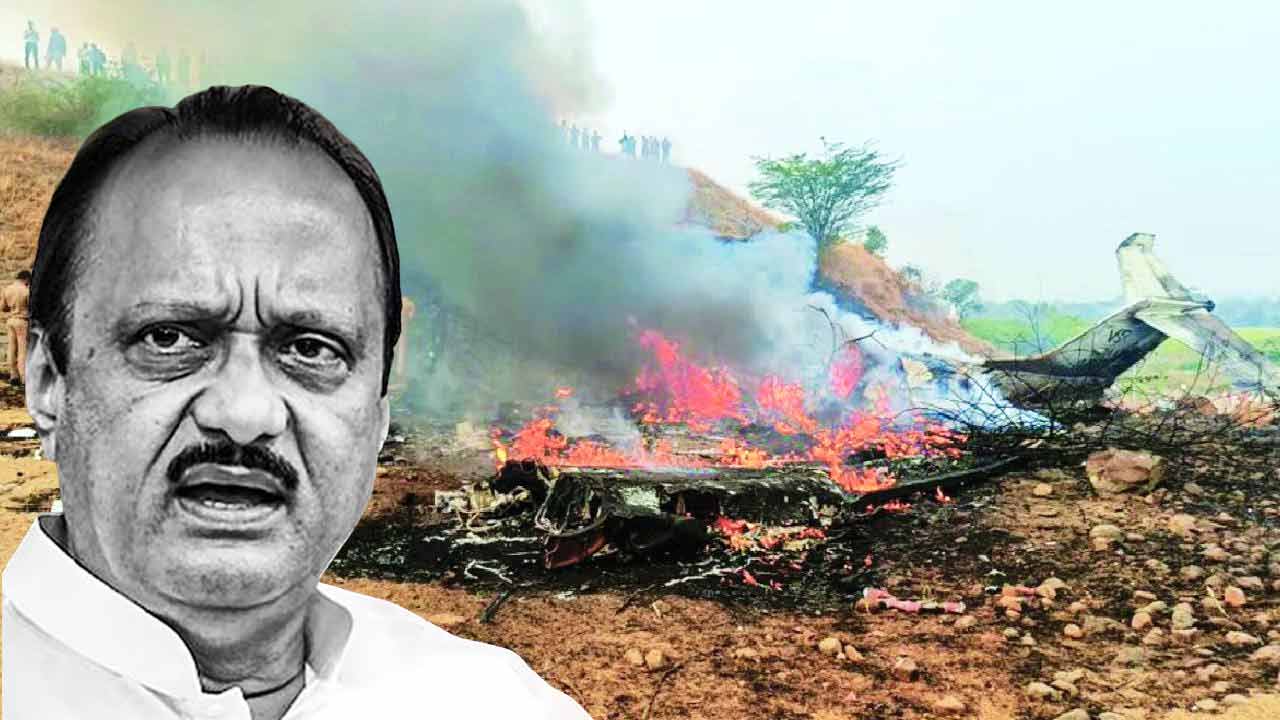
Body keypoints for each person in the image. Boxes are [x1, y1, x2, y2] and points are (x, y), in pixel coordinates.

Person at [2, 85, 590, 720]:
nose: (244, 414)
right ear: (48, 381)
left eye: (311, 348)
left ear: (378, 408)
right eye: (168, 337)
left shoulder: (495, 702)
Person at [1, 271, 30, 385]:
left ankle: (13, 375)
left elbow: (3, 308)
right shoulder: (26, 291)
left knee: (11, 349)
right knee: (22, 350)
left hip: (11, 321)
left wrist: (13, 308)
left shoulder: (7, 289)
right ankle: (24, 377)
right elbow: (31, 308)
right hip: (22, 321)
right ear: (26, 279)